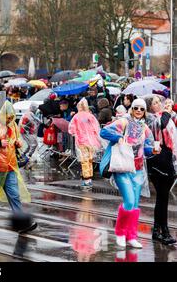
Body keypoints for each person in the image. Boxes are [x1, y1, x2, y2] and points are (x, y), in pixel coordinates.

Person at [100, 98, 155, 249]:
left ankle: (131, 236)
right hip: (122, 167)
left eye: (141, 109)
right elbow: (104, 131)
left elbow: (148, 148)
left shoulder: (145, 128)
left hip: (137, 170)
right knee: (129, 201)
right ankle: (120, 233)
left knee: (135, 204)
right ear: (131, 109)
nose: (138, 111)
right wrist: (118, 137)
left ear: (144, 112)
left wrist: (153, 150)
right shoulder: (124, 121)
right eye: (136, 108)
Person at [0, 101, 37, 234]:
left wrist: (18, 143)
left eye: (12, 117)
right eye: (8, 117)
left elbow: (16, 141)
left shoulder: (14, 125)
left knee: (14, 195)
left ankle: (21, 224)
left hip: (10, 166)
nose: (10, 119)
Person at [145, 96, 177, 245]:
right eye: (155, 103)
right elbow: (162, 124)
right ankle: (163, 232)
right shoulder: (151, 119)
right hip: (159, 158)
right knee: (163, 197)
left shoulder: (160, 117)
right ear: (150, 107)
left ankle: (158, 230)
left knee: (162, 198)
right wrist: (167, 112)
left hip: (165, 157)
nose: (159, 104)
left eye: (159, 101)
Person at [68, 99, 101, 189]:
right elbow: (97, 128)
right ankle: (89, 178)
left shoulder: (76, 117)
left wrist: (76, 134)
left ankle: (86, 179)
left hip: (81, 141)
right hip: (91, 141)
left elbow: (71, 129)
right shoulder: (90, 116)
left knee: (84, 160)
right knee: (90, 160)